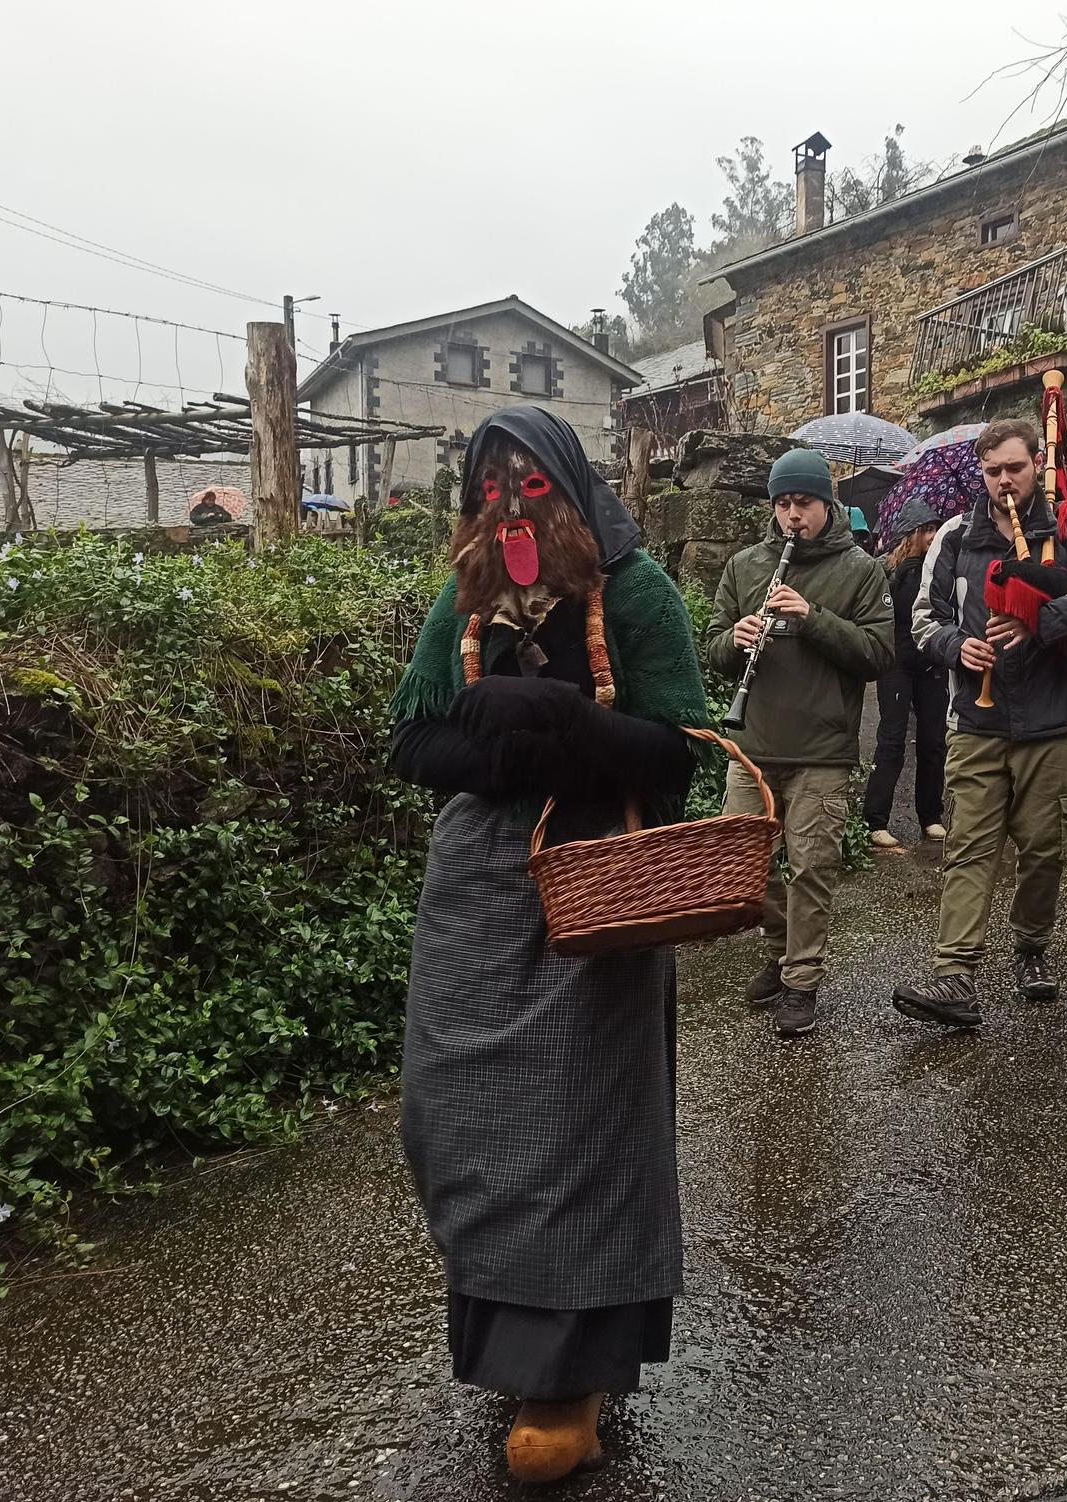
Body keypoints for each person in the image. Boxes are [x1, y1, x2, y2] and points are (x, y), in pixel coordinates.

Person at [389, 407, 709, 1483]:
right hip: (480, 884)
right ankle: (503, 1342)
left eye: (532, 480)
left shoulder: (638, 591)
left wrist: (576, 731)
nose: (513, 500)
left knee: (577, 1122)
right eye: (493, 482)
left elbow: (679, 750)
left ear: (571, 486)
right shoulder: (465, 599)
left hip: (598, 881)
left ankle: (567, 1374)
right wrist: (491, 741)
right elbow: (412, 738)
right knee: (457, 1109)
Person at [891, 417, 1067, 1027]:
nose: (1003, 482)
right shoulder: (953, 538)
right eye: (992, 471)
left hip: (1055, 719)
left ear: (1035, 466)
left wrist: (1038, 621)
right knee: (969, 846)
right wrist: (955, 646)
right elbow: (924, 619)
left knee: (1046, 846)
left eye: (1014, 469)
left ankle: (1030, 945)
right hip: (976, 719)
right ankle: (954, 975)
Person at [707, 449, 895, 1038]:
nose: (793, 516)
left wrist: (812, 618)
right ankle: (777, 953)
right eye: (783, 504)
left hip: (820, 749)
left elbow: (878, 655)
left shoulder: (860, 569)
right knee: (746, 866)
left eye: (804, 504)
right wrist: (733, 640)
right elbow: (711, 651)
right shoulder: (744, 566)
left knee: (811, 868)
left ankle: (803, 979)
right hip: (753, 746)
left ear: (826, 504)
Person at [863, 498, 951, 851]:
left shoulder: (942, 568)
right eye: (926, 530)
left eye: (935, 529)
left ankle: (931, 816)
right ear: (911, 534)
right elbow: (890, 614)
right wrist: (914, 568)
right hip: (896, 664)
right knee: (892, 740)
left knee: (933, 741)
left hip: (931, 663)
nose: (932, 536)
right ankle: (875, 821)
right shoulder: (889, 571)